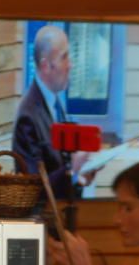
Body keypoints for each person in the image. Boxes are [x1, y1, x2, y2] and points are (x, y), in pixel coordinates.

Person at [12, 24, 91, 198]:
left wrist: (81, 176)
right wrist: (72, 170)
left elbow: (59, 168)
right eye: (64, 57)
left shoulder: (55, 102)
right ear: (46, 65)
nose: (70, 65)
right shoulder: (28, 115)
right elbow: (33, 190)